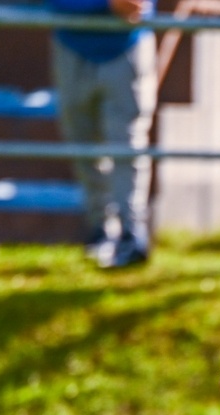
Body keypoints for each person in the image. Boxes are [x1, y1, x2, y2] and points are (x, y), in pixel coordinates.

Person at [50, 0, 157, 269]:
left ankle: (131, 235)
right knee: (82, 141)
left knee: (128, 144)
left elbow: (136, 6)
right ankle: (101, 229)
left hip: (127, 44)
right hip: (72, 43)